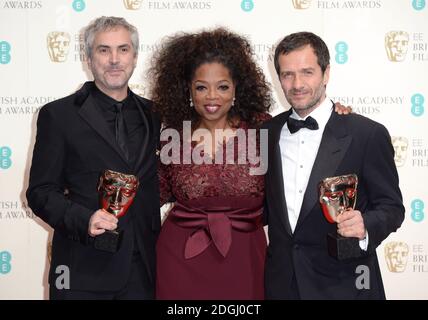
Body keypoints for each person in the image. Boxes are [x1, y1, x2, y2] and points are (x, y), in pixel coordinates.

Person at [27, 16, 161, 299]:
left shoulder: (155, 115)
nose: (114, 59)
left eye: (123, 49)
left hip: (144, 273)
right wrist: (84, 219)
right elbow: (40, 192)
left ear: (135, 57)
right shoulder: (59, 116)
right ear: (88, 57)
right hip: (82, 272)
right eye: (103, 50)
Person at [263, 31, 405, 299]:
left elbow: (392, 207)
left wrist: (365, 225)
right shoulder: (267, 132)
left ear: (326, 73)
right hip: (282, 286)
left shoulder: (366, 134)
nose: (297, 84)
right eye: (287, 74)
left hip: (345, 286)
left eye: (307, 72)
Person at [148, 28, 272, 300]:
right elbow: (149, 194)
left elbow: (305, 157)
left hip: (246, 261)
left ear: (237, 88)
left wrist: (336, 115)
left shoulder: (263, 129)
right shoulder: (173, 136)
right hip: (180, 259)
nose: (212, 96)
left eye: (223, 86)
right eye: (201, 87)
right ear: (189, 91)